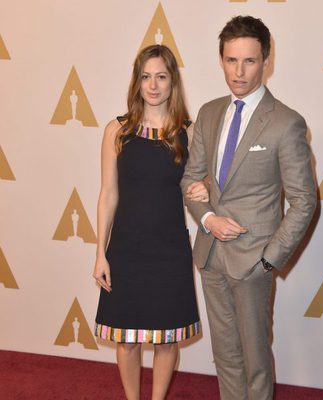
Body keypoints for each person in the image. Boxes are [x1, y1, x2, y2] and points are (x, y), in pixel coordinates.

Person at [181, 16, 317, 400]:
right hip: (210, 256)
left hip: (254, 262)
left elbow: (304, 201)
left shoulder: (286, 123)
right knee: (225, 356)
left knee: (256, 359)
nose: (238, 72)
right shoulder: (208, 113)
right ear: (221, 60)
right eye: (230, 60)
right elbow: (191, 179)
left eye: (249, 61)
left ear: (266, 61)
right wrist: (207, 218)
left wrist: (269, 259)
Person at [93, 44, 208, 400]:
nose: (153, 85)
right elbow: (108, 194)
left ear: (173, 81)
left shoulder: (187, 133)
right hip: (126, 249)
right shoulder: (117, 130)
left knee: (166, 337)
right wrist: (100, 253)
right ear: (136, 81)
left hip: (170, 250)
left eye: (161, 76)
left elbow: (198, 185)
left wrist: (203, 190)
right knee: (125, 341)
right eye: (146, 77)